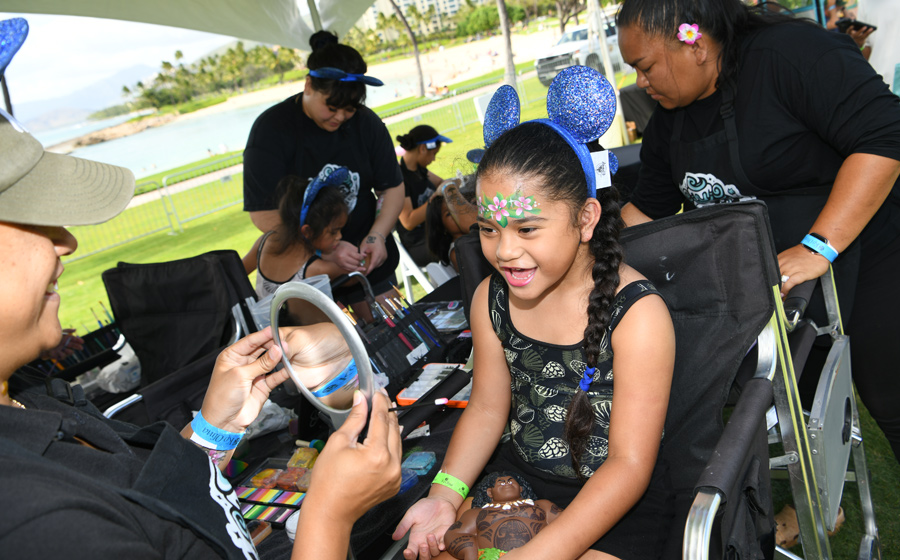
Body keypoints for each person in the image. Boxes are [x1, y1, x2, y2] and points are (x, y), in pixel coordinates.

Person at [0, 107, 402, 559]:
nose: (66, 241)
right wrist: (329, 517)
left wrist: (215, 432)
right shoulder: (28, 521)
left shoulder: (28, 400)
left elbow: (156, 507)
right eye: (26, 216)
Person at [393, 80, 676, 560]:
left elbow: (628, 466)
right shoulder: (491, 299)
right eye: (487, 228)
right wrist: (444, 496)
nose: (504, 250)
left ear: (585, 219)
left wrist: (541, 553)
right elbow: (485, 409)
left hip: (616, 507)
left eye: (527, 229)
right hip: (514, 486)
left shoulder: (639, 316)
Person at [616, 0, 900, 463]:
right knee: (800, 409)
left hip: (873, 256)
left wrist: (818, 245)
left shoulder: (790, 54)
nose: (640, 83)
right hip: (782, 297)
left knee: (891, 398)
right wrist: (589, 259)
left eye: (645, 67)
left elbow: (885, 136)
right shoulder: (670, 118)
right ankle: (825, 510)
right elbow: (649, 209)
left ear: (696, 44)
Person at [242, 30, 405, 310]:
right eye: (332, 107)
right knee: (333, 351)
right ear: (308, 86)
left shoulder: (366, 123)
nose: (340, 117)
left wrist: (376, 236)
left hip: (370, 270)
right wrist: (322, 247)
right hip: (307, 280)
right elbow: (264, 214)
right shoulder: (271, 131)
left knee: (400, 342)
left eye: (350, 109)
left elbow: (391, 186)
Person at [242, 169, 349, 299]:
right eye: (333, 232)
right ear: (307, 231)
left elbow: (237, 273)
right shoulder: (319, 269)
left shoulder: (265, 242)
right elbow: (356, 275)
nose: (339, 237)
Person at [443, 473, 562, 559]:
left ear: (520, 488)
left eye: (510, 481)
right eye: (501, 482)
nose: (507, 484)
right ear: (489, 492)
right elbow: (454, 534)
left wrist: (550, 547)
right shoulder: (477, 513)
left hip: (543, 554)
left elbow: (565, 522)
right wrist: (469, 552)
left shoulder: (542, 505)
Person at [395, 125, 453, 266]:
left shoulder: (420, 170)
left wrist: (450, 185)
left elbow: (441, 182)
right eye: (433, 153)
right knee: (460, 245)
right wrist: (436, 199)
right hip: (419, 245)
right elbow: (408, 221)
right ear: (422, 149)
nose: (433, 159)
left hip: (434, 233)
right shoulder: (399, 178)